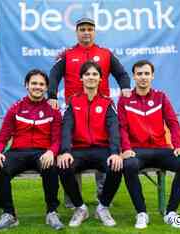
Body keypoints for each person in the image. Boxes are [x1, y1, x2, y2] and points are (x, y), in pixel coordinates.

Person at [49, 17, 131, 207]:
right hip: (74, 110)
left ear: (95, 32)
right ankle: (72, 199)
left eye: (90, 29)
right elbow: (53, 75)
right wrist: (52, 95)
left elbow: (122, 74)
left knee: (103, 146)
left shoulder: (105, 53)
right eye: (82, 29)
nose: (86, 32)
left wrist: (125, 87)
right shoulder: (67, 54)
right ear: (77, 32)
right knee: (72, 148)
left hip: (101, 111)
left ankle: (102, 197)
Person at [118, 60, 180, 229]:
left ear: (152, 76)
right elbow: (121, 127)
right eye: (139, 74)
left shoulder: (161, 96)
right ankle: (141, 213)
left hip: (161, 149)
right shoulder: (125, 99)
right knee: (128, 165)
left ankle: (171, 212)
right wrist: (127, 149)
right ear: (134, 76)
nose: (143, 77)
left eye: (146, 74)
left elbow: (173, 123)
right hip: (137, 151)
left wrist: (178, 146)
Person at [0, 69, 64, 230]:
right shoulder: (15, 109)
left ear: (46, 88)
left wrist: (51, 151)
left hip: (42, 152)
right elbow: (2, 138)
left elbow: (57, 139)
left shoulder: (54, 110)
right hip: (18, 152)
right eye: (34, 83)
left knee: (51, 166)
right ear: (26, 85)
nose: (38, 87)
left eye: (41, 84)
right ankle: (9, 214)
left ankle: (52, 212)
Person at [57, 61, 123, 227]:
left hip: (102, 150)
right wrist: (65, 151)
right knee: (63, 166)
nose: (91, 77)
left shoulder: (107, 102)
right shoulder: (73, 101)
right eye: (87, 74)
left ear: (101, 78)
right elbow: (66, 128)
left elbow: (114, 129)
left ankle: (103, 207)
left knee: (117, 165)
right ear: (81, 78)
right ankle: (80, 208)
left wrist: (115, 152)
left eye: (95, 74)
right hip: (78, 150)